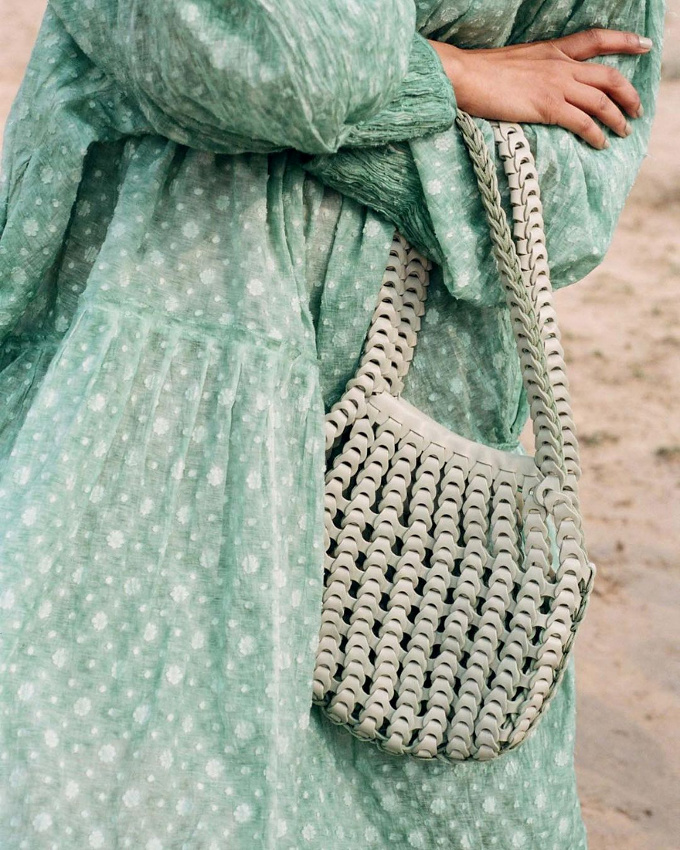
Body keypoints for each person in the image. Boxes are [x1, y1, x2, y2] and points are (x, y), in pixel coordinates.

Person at [0, 1, 662, 848]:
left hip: (422, 471)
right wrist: (452, 74)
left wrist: (258, 105)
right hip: (144, 406)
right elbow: (251, 57)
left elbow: (566, 205)